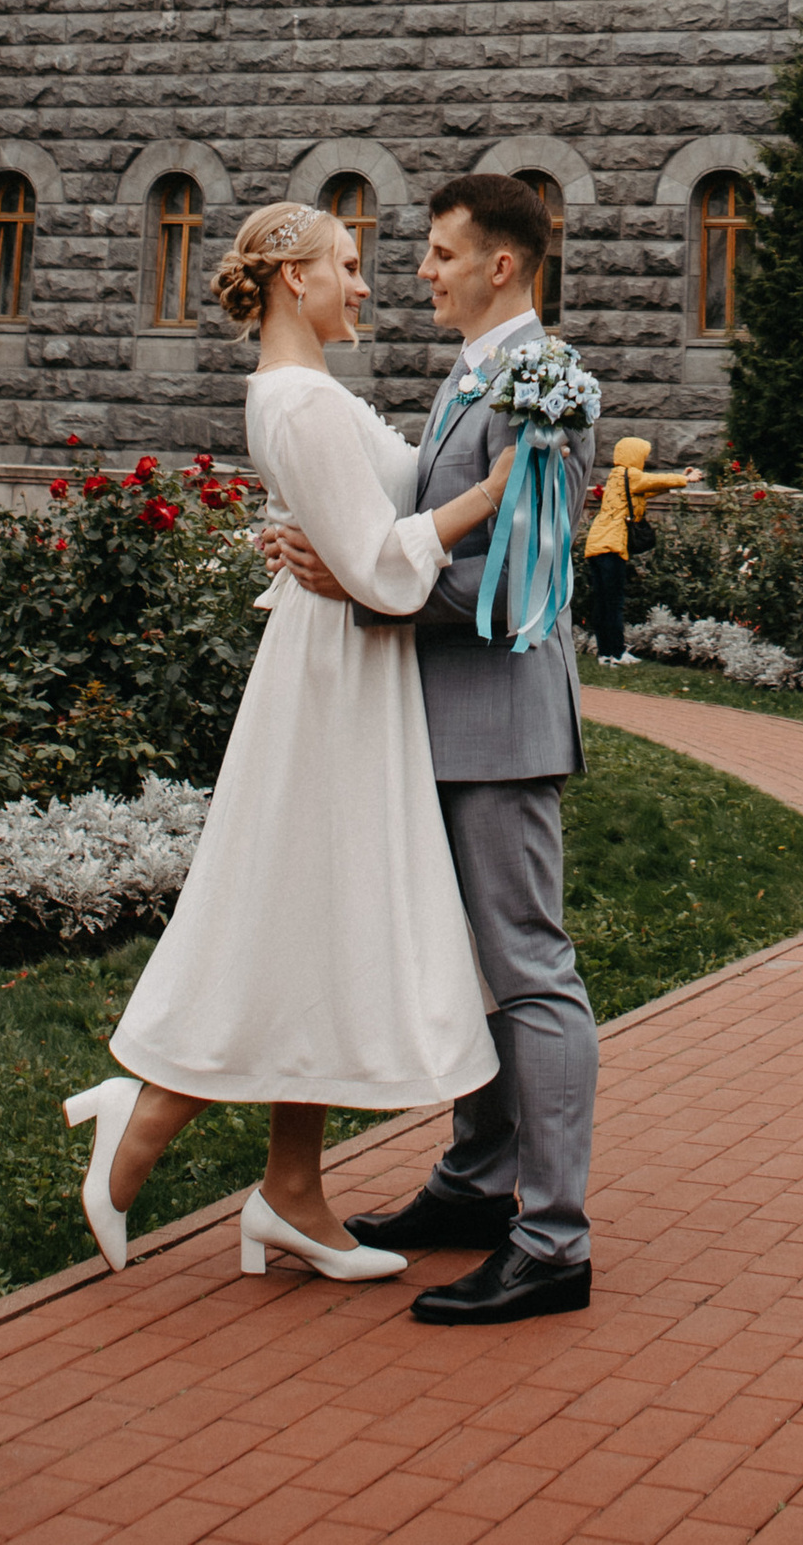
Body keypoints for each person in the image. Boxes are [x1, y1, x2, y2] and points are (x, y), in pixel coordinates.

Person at [59, 202, 512, 1287]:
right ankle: (151, 1108)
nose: (366, 286)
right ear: (289, 278)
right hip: (330, 680)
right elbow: (374, 561)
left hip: (341, 672)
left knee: (320, 913)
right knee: (292, 904)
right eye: (348, 269)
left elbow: (387, 495)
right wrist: (489, 498)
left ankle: (294, 1193)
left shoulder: (313, 394)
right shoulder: (298, 400)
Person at [270, 172, 598, 1324]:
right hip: (445, 722)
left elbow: (527, 578)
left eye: (442, 253)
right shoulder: (476, 374)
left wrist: (371, 596)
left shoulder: (542, 382)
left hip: (499, 725)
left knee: (529, 974)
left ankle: (553, 1242)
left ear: (500, 266)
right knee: (480, 974)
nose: (420, 270)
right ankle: (472, 1187)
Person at [581, 435, 694, 664]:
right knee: (614, 603)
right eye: (643, 456)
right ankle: (617, 652)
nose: (644, 460)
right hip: (611, 547)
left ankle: (605, 654)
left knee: (602, 603)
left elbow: (649, 488)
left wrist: (680, 478)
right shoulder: (630, 475)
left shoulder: (618, 477)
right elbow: (651, 481)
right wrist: (687, 479)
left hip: (596, 547)